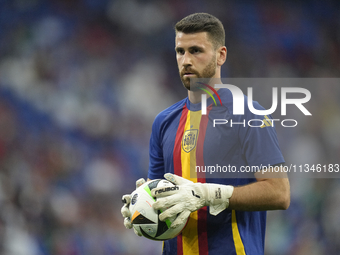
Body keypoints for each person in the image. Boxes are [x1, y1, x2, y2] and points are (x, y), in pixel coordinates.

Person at [122, 13, 290, 255]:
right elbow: (159, 193)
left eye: (196, 51)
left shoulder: (248, 114)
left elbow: (279, 192)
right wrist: (140, 207)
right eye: (180, 51)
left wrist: (209, 194)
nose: (186, 60)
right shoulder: (164, 122)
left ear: (221, 55)